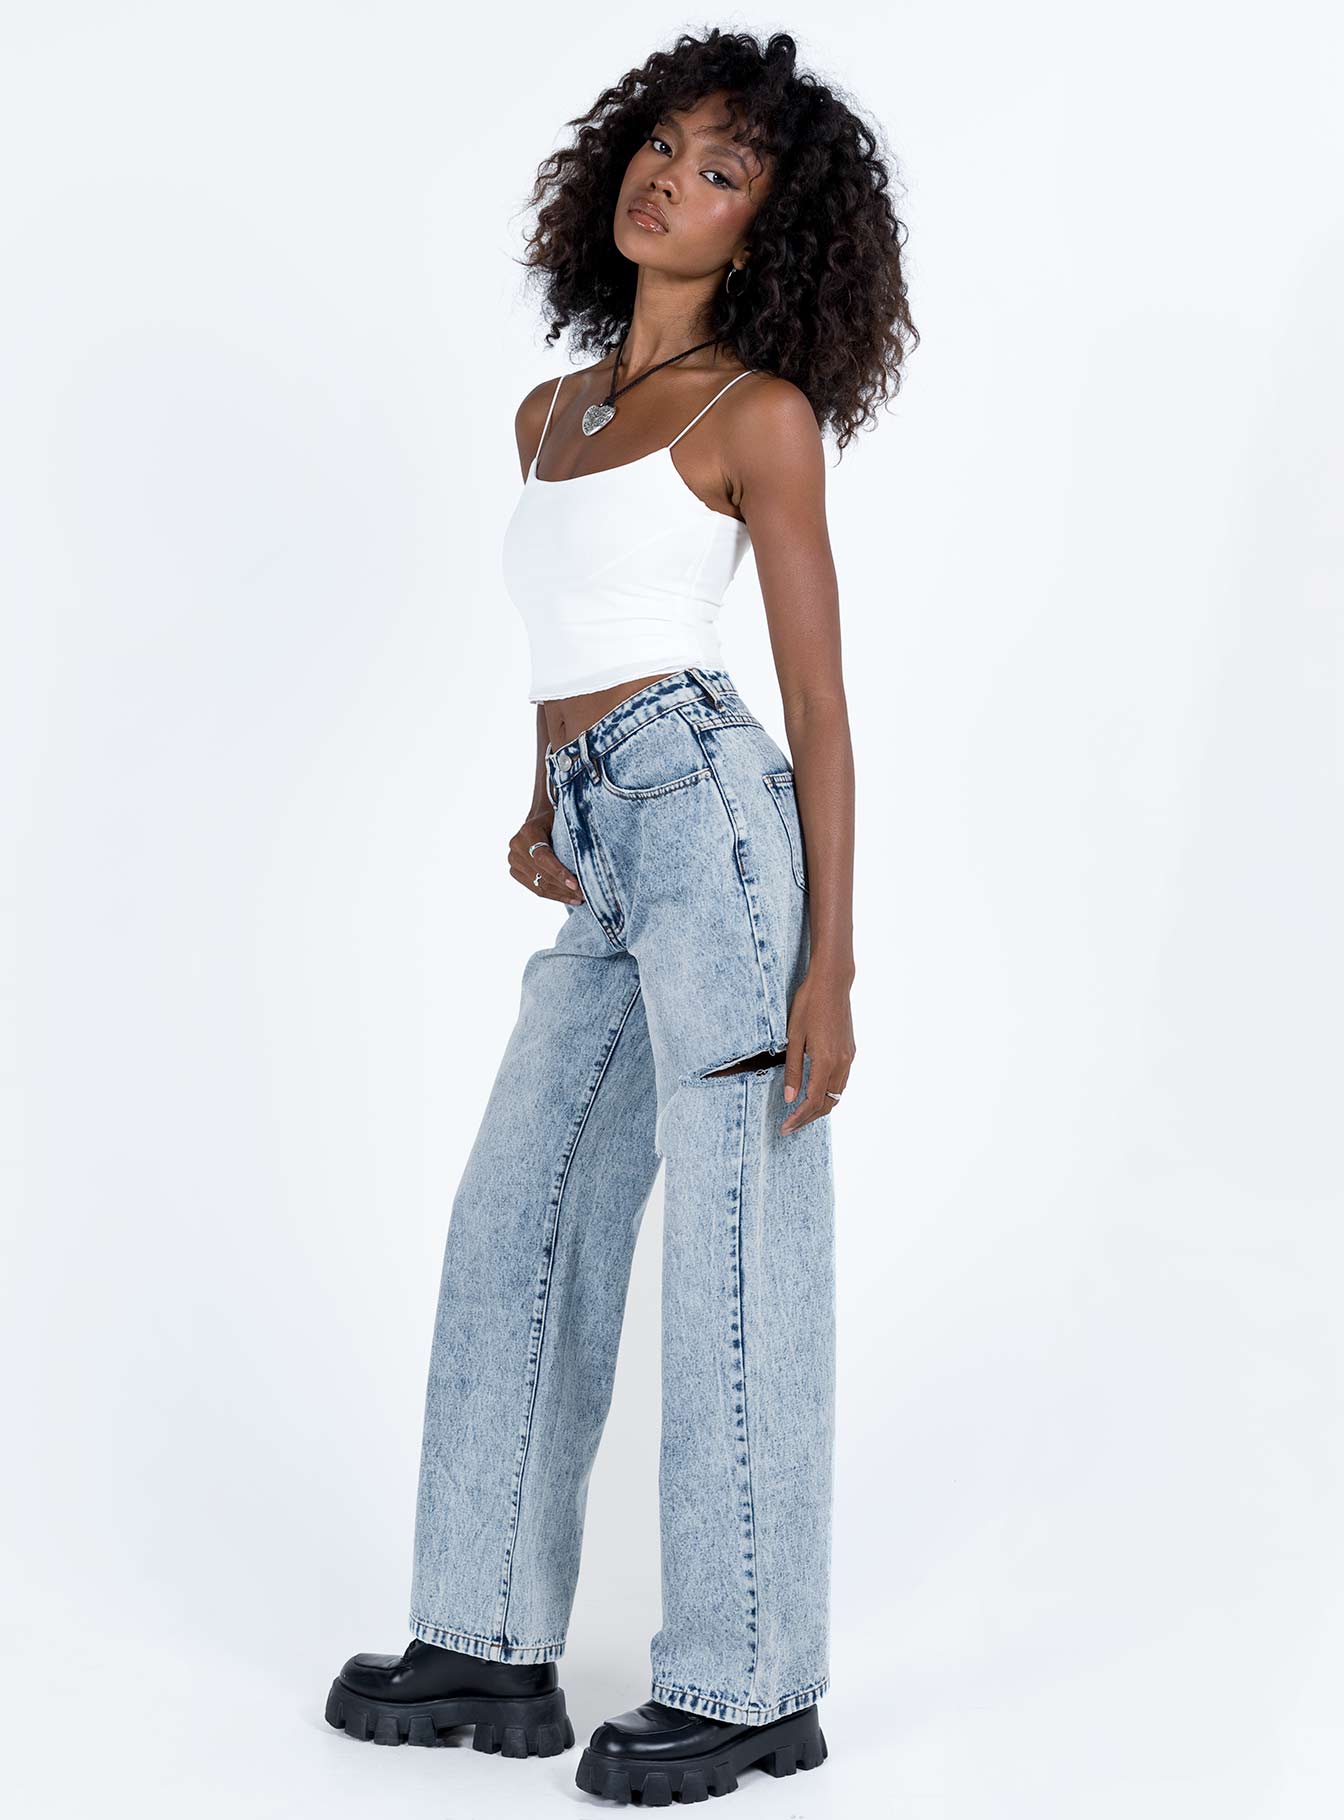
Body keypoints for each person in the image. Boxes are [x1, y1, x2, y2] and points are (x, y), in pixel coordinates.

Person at [323, 27, 916, 1807]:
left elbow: (819, 711)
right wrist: (541, 798)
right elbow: (563, 643)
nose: (673, 179)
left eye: (724, 170)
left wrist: (831, 964)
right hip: (604, 834)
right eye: (665, 144)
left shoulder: (758, 418)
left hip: (716, 826)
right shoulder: (554, 413)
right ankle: (485, 1639)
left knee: (736, 1248)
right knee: (520, 1218)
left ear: (765, 231)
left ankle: (751, 1681)